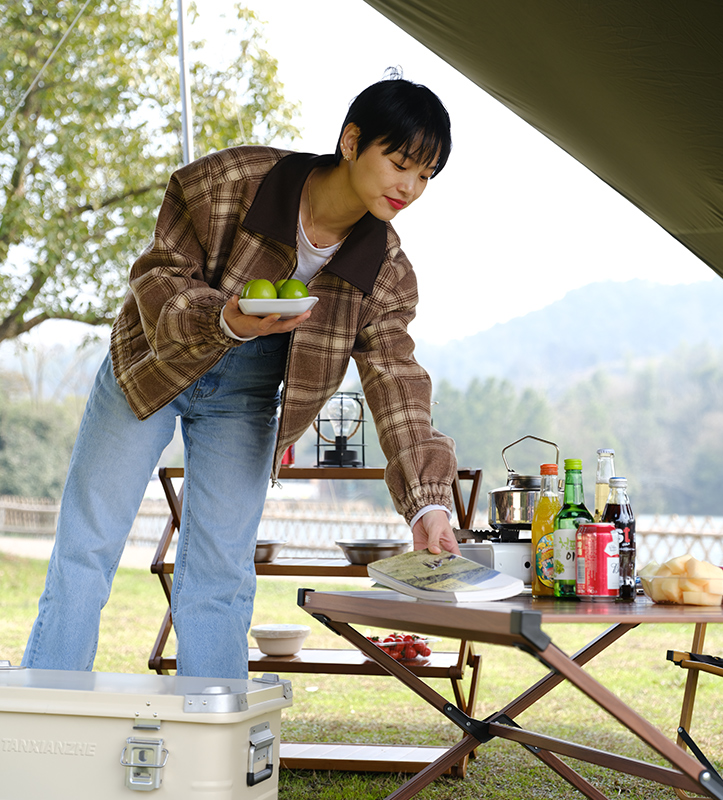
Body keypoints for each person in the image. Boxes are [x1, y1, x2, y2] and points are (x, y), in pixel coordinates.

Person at [22, 75, 461, 679]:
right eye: (400, 163)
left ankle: (215, 743)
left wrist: (425, 504)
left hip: (248, 395)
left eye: (426, 175)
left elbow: (398, 382)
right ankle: (49, 710)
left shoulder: (384, 268)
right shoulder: (232, 181)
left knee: (221, 572)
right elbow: (156, 274)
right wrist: (221, 317)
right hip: (152, 362)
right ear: (352, 140)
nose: (409, 187)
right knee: (87, 547)